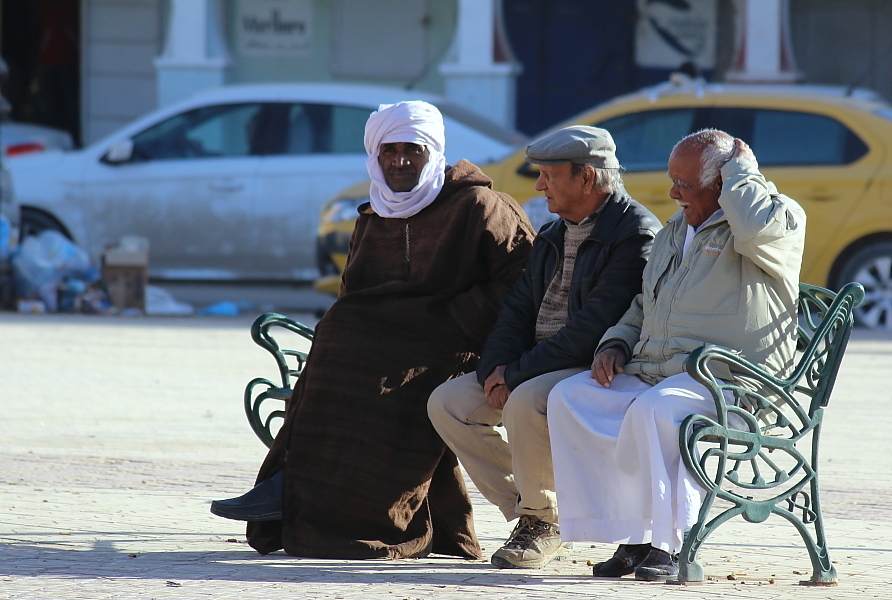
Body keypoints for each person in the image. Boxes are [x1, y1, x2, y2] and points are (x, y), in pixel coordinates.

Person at [210, 101, 535, 560]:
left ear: (434, 152)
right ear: (374, 155)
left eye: (412, 150)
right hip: (387, 344)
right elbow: (352, 294)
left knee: (376, 379)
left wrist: (456, 316)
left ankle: (344, 510)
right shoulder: (374, 214)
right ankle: (291, 490)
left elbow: (524, 282)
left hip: (458, 342)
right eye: (390, 150)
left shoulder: (479, 206)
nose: (400, 161)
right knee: (337, 347)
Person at [547, 129, 806, 581]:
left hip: (731, 383)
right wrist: (616, 341)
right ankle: (632, 534)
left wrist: (741, 169)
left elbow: (756, 225)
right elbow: (645, 303)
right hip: (661, 372)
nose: (673, 193)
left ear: (723, 183)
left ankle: (673, 542)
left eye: (684, 184)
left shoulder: (774, 220)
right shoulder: (675, 230)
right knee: (571, 398)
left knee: (655, 412)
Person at [428, 126, 661, 569]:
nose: (539, 186)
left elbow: (594, 328)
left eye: (549, 175)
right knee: (448, 403)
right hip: (534, 363)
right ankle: (540, 516)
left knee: (526, 401)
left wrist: (515, 376)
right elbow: (516, 310)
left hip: (592, 365)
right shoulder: (555, 231)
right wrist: (496, 367)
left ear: (587, 178)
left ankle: (542, 519)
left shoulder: (634, 234)